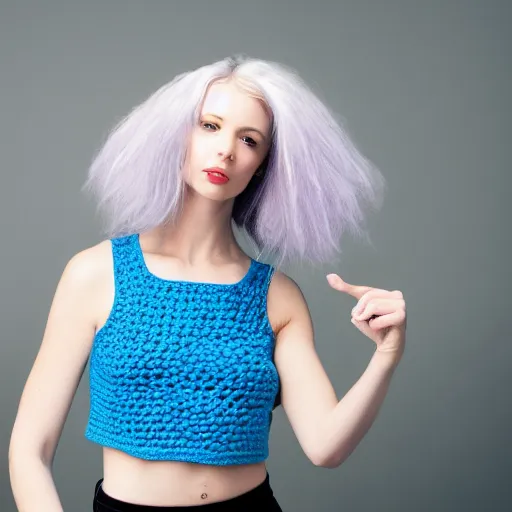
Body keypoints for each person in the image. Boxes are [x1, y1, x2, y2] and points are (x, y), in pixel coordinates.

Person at [9, 54, 407, 511]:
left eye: (249, 139)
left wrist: (386, 354)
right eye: (210, 126)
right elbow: (28, 450)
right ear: (178, 134)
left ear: (262, 163)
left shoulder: (278, 297)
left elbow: (326, 446)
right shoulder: (95, 274)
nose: (226, 151)